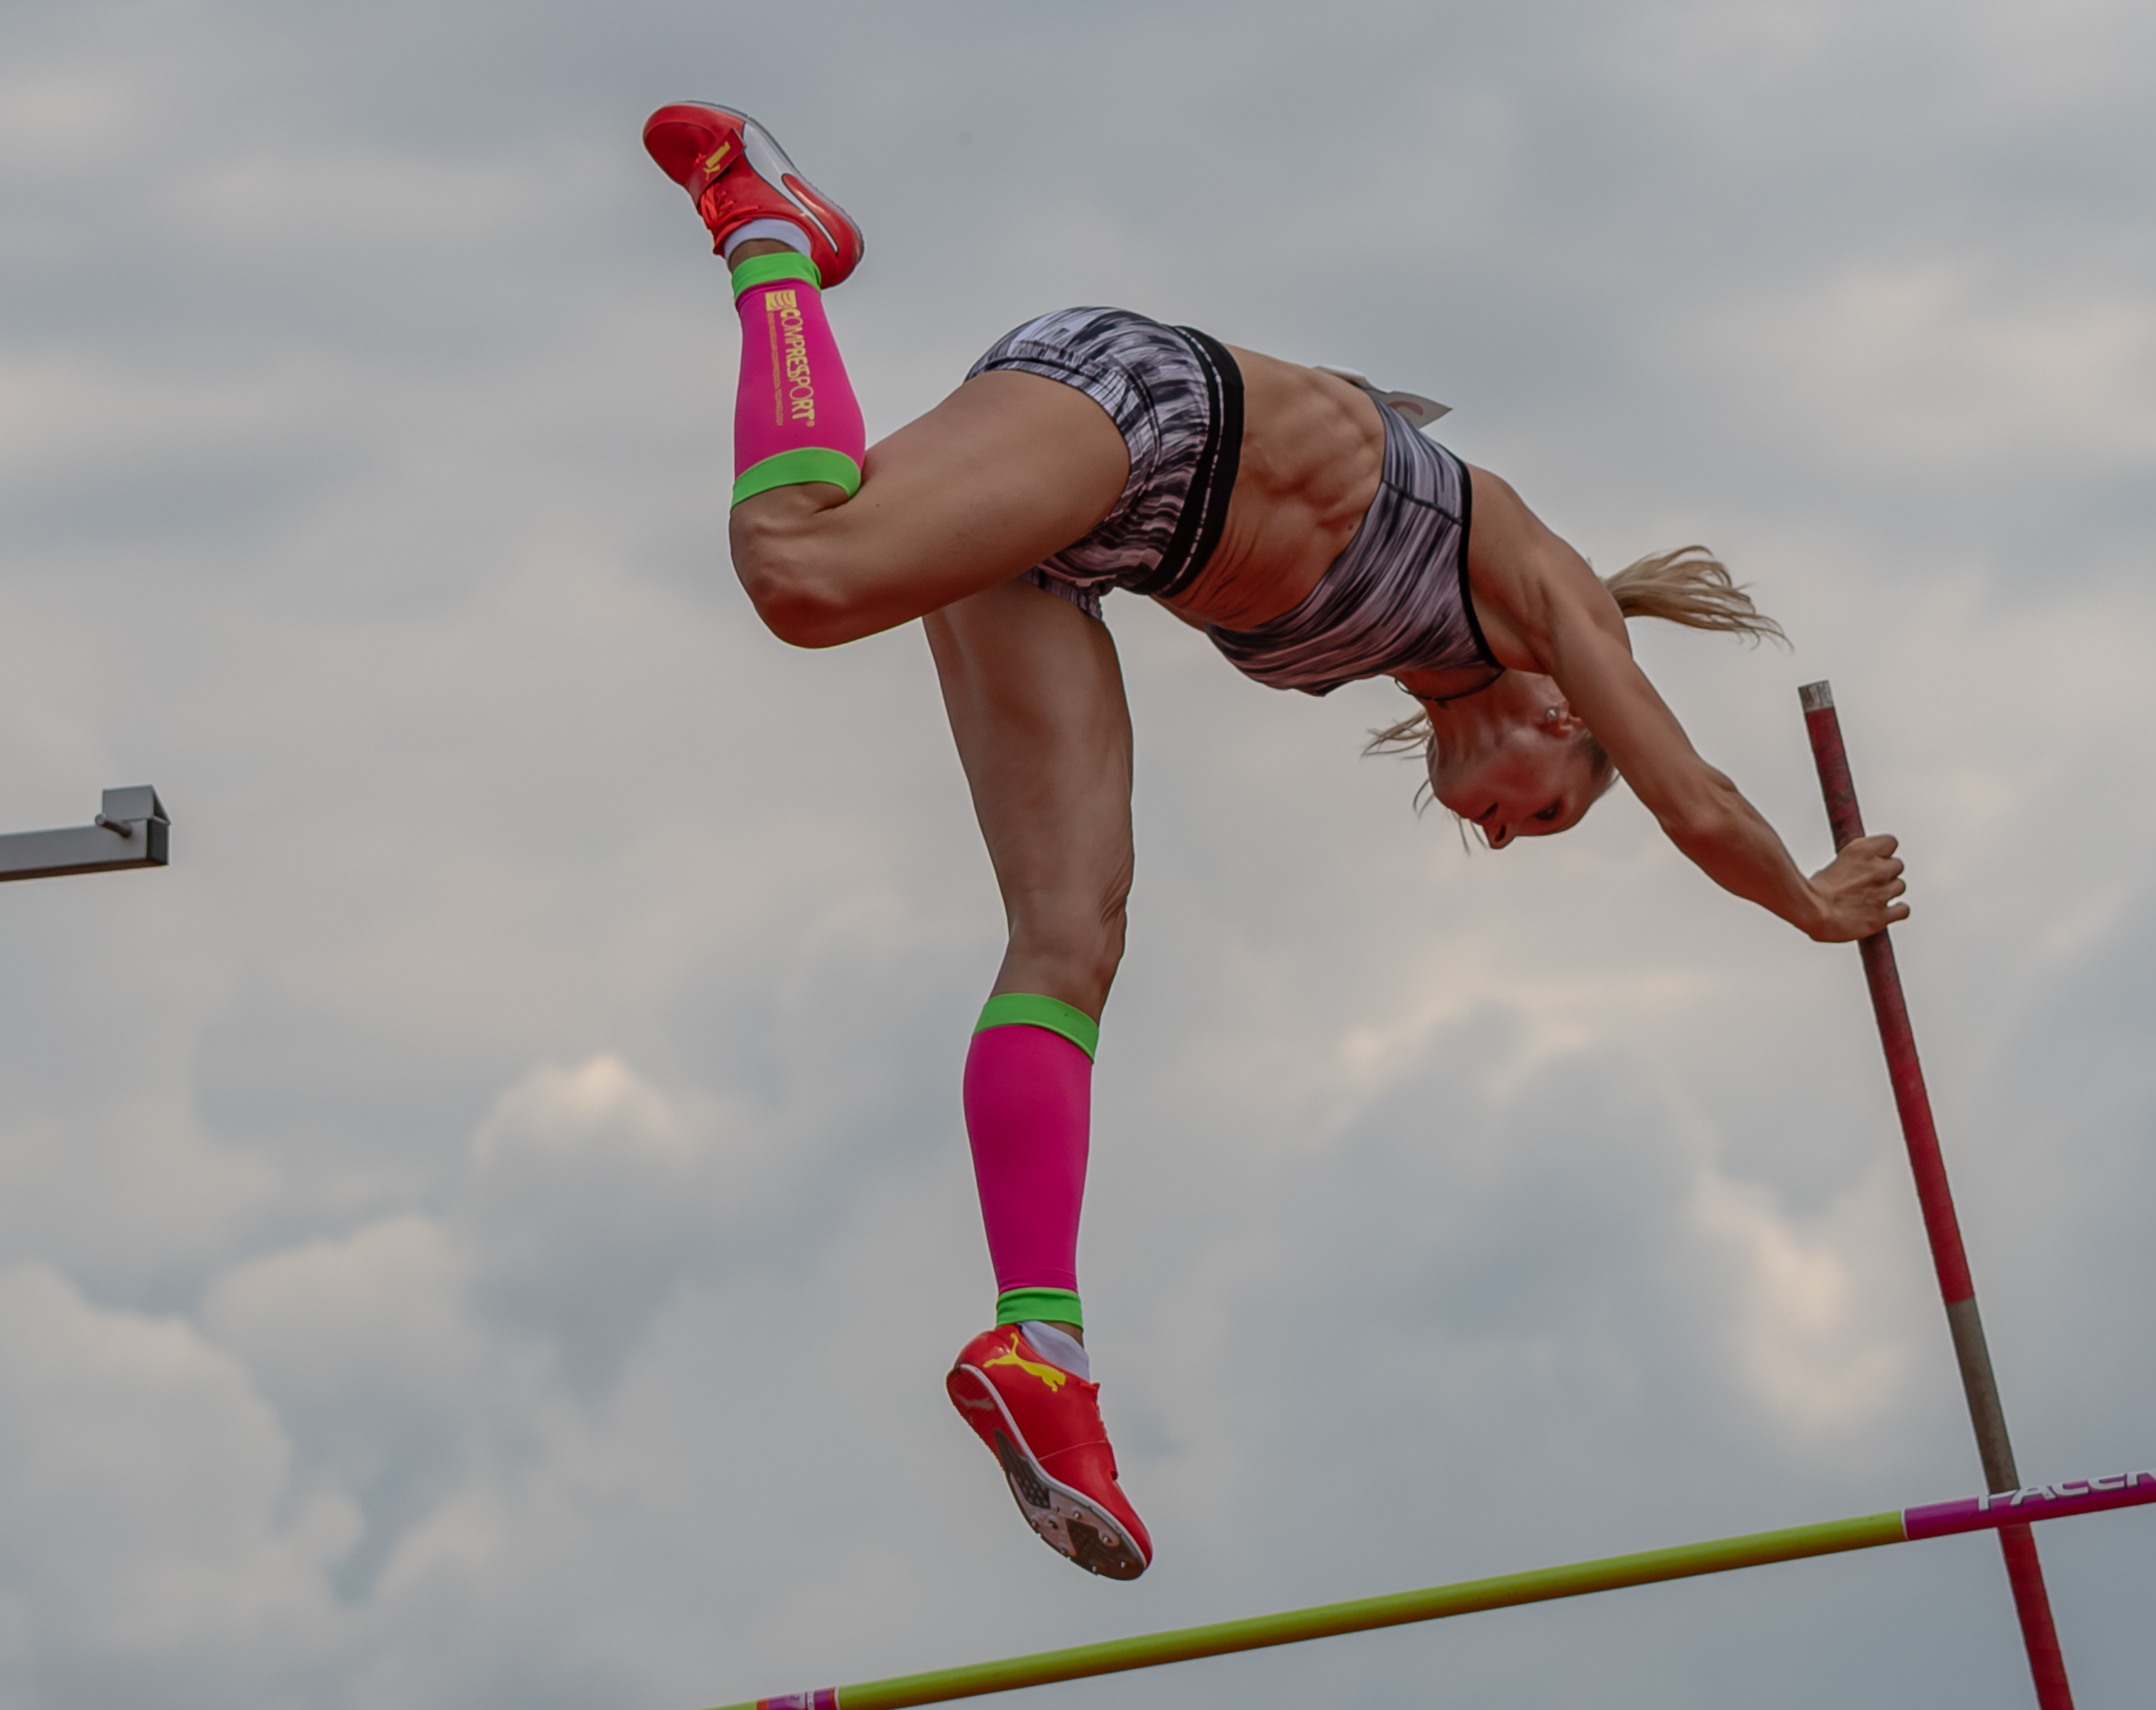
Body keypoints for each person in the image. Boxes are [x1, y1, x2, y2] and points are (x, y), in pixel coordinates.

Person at [640, 103, 1910, 1581]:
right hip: (1133, 405)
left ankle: (1040, 1346)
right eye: (1547, 809)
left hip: (1094, 543)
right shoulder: (1538, 584)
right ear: (1565, 713)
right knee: (804, 567)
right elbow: (1693, 798)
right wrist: (1814, 906)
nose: (1506, 836)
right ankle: (771, 227)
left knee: (1075, 930)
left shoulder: (1414, 653)